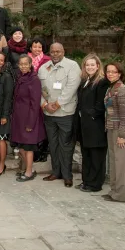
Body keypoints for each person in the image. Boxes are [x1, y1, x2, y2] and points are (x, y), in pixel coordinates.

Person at [39, 43, 80, 187]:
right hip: (49, 114)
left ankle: (67, 175)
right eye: (52, 52)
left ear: (63, 51)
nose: (55, 54)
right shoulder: (44, 68)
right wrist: (45, 104)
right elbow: (39, 89)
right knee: (53, 144)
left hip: (65, 113)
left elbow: (71, 88)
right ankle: (56, 172)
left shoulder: (72, 66)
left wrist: (56, 104)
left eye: (58, 51)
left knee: (66, 145)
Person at [74, 54, 109, 192]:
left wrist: (90, 115)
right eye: (87, 65)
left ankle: (95, 184)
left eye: (92, 65)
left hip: (95, 126)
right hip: (85, 125)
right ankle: (86, 181)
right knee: (86, 154)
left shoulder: (101, 82)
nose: (89, 67)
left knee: (96, 156)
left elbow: (100, 105)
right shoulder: (85, 81)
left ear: (98, 66)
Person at [11, 55, 47, 181]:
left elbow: (35, 102)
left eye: (26, 64)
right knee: (21, 147)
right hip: (19, 118)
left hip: (29, 118)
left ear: (31, 64)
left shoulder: (34, 79)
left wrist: (31, 123)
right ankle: (29, 168)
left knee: (28, 147)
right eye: (21, 64)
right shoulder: (20, 77)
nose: (23, 66)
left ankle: (29, 172)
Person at [103, 62, 125, 202]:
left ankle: (120, 195)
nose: (110, 74)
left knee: (120, 163)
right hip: (111, 128)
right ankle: (114, 191)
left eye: (114, 72)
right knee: (114, 161)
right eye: (108, 71)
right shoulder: (111, 88)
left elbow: (124, 116)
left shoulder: (122, 90)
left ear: (120, 73)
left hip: (121, 130)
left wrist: (122, 136)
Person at [0, 52, 14, 176]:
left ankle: (1, 164)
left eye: (1, 60)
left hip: (2, 114)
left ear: (4, 62)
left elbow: (8, 97)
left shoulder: (6, 77)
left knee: (1, 139)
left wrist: (5, 115)